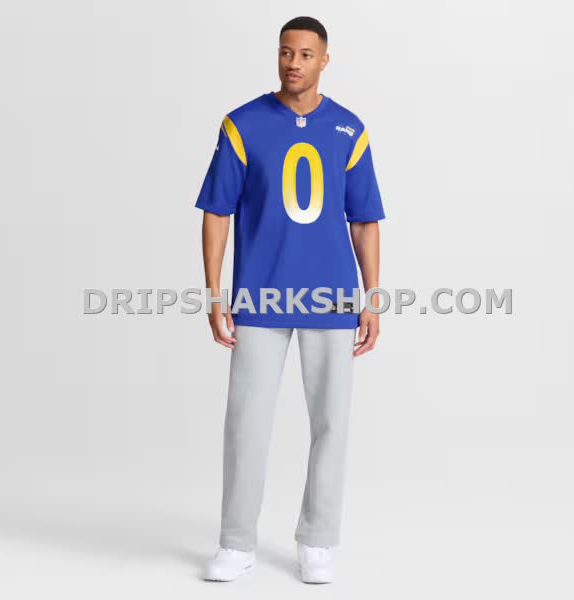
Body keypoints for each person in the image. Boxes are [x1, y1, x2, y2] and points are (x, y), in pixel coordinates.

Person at [195, 16, 386, 584]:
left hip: (332, 295)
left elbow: (365, 220)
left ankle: (318, 540)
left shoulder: (349, 130)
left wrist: (372, 298)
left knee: (331, 420)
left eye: (305, 54)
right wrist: (214, 294)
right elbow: (216, 213)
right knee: (246, 421)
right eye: (285, 52)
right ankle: (236, 542)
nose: (293, 63)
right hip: (260, 294)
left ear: (324, 60)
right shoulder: (243, 124)